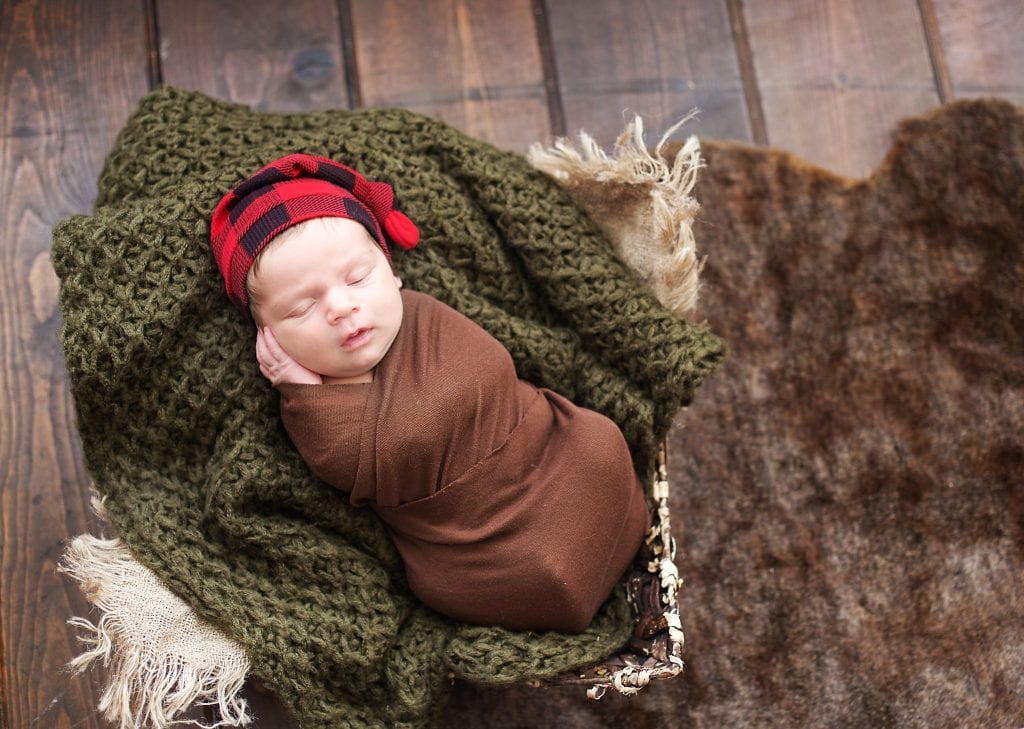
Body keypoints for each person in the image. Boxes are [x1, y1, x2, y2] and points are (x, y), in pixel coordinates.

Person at [209, 153, 650, 633]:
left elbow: (489, 368)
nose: (341, 307)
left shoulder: (422, 313)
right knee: (515, 575)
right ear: (268, 338)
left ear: (392, 270)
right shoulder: (310, 402)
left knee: (601, 445)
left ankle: (621, 517)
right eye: (300, 309)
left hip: (551, 455)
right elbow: (346, 465)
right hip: (477, 543)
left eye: (357, 278)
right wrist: (298, 390)